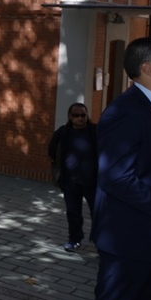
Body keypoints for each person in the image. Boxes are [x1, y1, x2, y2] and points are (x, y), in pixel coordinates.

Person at [81, 36, 151, 300]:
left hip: (149, 241)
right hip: (128, 241)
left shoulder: (150, 108)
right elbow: (117, 177)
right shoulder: (125, 111)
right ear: (149, 68)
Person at [47, 102, 98, 253]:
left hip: (93, 181)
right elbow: (52, 151)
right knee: (73, 212)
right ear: (70, 117)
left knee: (97, 213)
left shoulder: (95, 131)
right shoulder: (63, 133)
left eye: (83, 115)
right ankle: (74, 239)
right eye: (76, 115)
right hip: (70, 181)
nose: (80, 118)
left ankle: (99, 242)